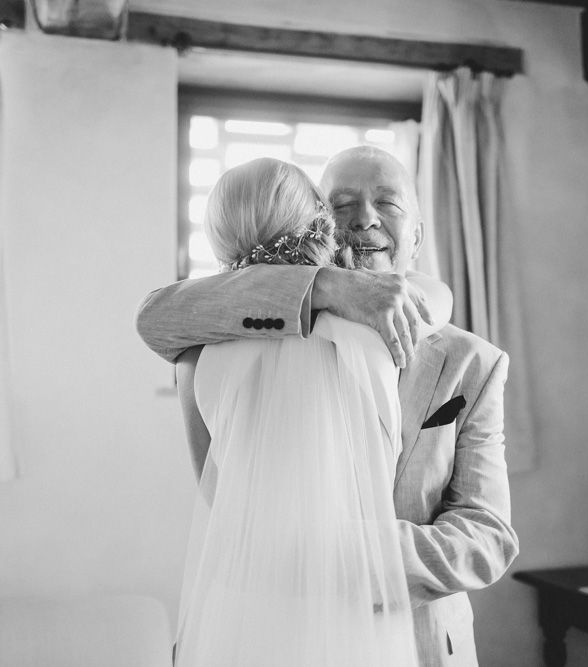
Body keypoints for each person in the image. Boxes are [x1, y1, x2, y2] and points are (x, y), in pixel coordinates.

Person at [136, 146, 519, 666]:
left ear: (419, 235)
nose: (365, 218)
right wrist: (325, 286)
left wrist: (344, 555)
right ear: (317, 225)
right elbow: (156, 316)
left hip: (424, 645)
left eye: (388, 201)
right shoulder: (251, 329)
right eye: (342, 205)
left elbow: (488, 536)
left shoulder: (474, 362)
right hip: (281, 632)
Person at [172, 158, 432, 666]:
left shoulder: (192, 354)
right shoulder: (374, 340)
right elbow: (377, 464)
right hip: (354, 609)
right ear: (318, 222)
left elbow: (214, 492)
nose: (364, 220)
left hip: (244, 602)